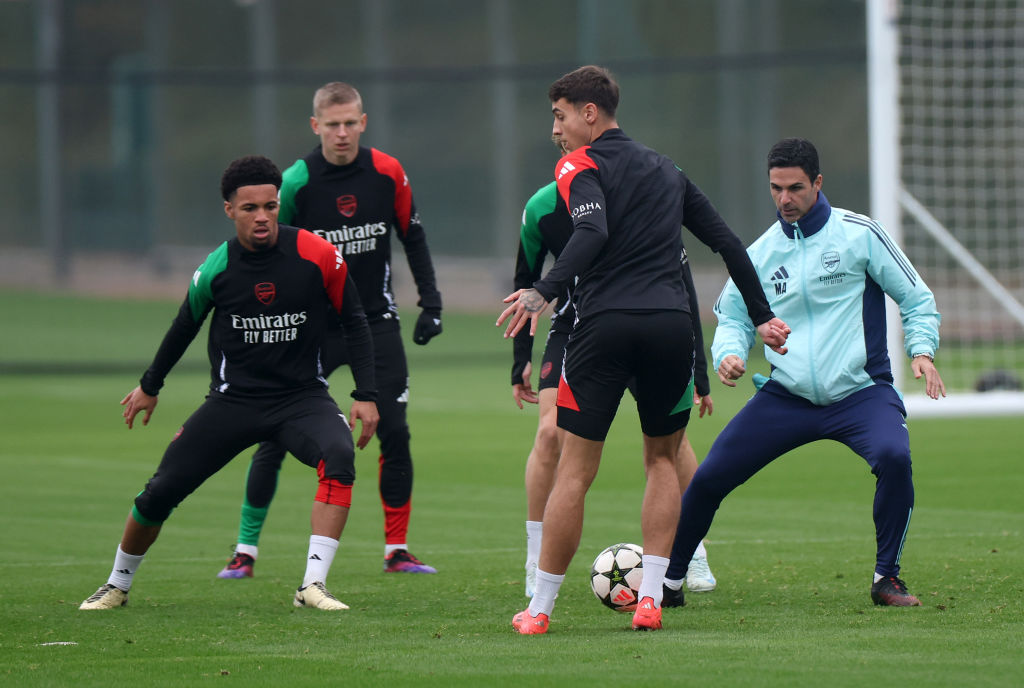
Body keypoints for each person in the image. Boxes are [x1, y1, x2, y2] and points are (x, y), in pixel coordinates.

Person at [498, 65, 789, 634]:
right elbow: (728, 243)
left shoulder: (576, 165)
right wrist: (763, 316)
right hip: (670, 329)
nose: (555, 130)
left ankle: (538, 611)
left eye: (559, 116)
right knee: (661, 459)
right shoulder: (667, 168)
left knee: (576, 471)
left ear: (589, 113)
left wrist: (543, 291)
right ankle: (651, 600)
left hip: (603, 329)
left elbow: (592, 232)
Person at [79, 155, 379, 612]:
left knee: (339, 457)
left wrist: (366, 394)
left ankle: (312, 586)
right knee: (160, 491)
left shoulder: (318, 254)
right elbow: (185, 326)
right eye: (250, 208)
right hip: (233, 402)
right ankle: (117, 585)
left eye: (271, 206)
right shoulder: (216, 269)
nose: (262, 217)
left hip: (302, 398)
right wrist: (150, 385)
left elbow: (355, 322)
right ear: (229, 210)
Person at [664, 138, 945, 608]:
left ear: (817, 183)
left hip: (860, 393)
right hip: (786, 397)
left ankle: (886, 579)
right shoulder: (759, 253)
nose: (785, 199)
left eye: (795, 187)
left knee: (894, 458)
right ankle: (669, 585)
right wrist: (729, 354)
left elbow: (916, 297)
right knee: (709, 478)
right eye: (776, 188)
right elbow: (731, 316)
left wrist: (922, 351)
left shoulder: (860, 234)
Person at [217, 82, 442, 579]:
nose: (341, 133)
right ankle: (245, 551)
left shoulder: (388, 173)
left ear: (363, 123)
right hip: (313, 328)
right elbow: (271, 249)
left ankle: (397, 550)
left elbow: (414, 236)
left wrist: (432, 300)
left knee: (396, 431)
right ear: (315, 126)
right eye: (331, 124)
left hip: (377, 321)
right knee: (273, 433)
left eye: (350, 123)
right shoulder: (295, 182)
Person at [512, 156, 717, 598]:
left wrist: (699, 368)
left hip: (643, 324)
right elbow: (524, 281)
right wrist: (519, 360)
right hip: (574, 329)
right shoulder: (541, 209)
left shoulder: (641, 195)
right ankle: (535, 560)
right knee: (550, 434)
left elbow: (682, 283)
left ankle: (693, 552)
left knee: (672, 446)